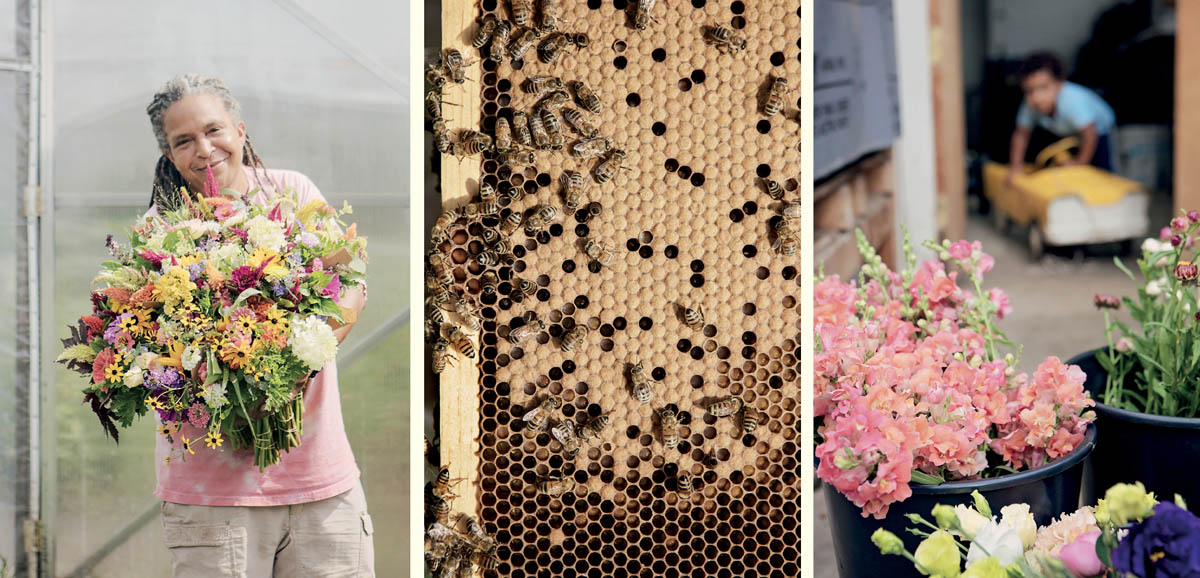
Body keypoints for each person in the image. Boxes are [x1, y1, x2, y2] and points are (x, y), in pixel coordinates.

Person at [145, 74, 374, 577]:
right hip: (214, 498)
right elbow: (153, 344)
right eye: (184, 141)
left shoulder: (292, 193)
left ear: (241, 130)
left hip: (320, 482)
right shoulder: (161, 230)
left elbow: (352, 278)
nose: (204, 150)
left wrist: (304, 355)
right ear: (170, 153)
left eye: (214, 130)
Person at [1007, 52, 1117, 183]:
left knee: (1101, 171)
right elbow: (1021, 135)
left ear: (1060, 84)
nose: (1036, 97)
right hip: (1069, 131)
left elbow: (1090, 133)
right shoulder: (1029, 105)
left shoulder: (1071, 101)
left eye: (1043, 87)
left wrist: (1079, 164)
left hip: (1099, 130)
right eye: (1029, 91)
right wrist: (1015, 168)